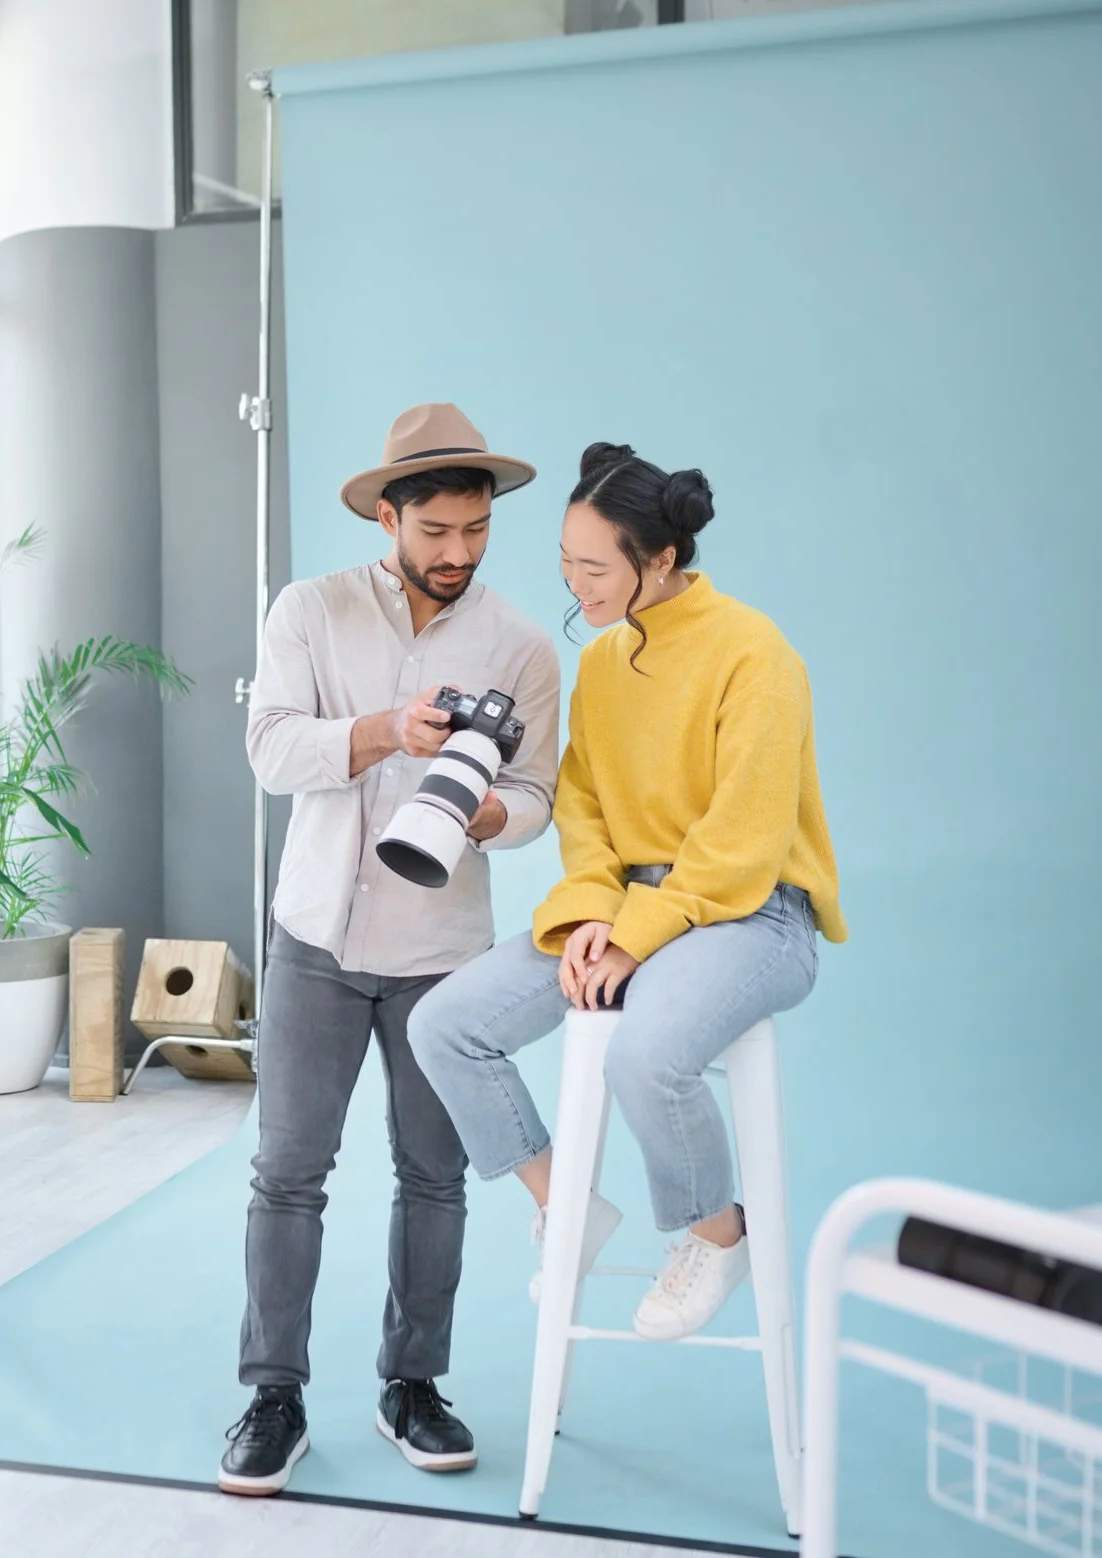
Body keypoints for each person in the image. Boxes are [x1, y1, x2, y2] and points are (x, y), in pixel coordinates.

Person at [408, 443, 846, 1344]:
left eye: (595, 567)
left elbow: (742, 845)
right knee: (444, 1026)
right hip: (630, 914)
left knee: (642, 1056)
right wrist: (594, 914)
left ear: (663, 559)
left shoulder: (756, 655)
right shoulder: (603, 667)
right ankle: (565, 1203)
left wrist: (634, 935)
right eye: (565, 562)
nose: (577, 585)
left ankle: (717, 1235)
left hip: (754, 914)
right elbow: (586, 808)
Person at [220, 403, 563, 1496]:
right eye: (435, 533)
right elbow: (270, 748)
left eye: (475, 531)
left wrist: (482, 816)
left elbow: (536, 794)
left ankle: (412, 1385)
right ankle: (272, 1397)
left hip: (441, 951)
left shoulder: (520, 643)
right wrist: (379, 732)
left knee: (434, 1178)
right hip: (314, 935)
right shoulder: (310, 612)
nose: (457, 553)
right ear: (387, 514)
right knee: (287, 1174)